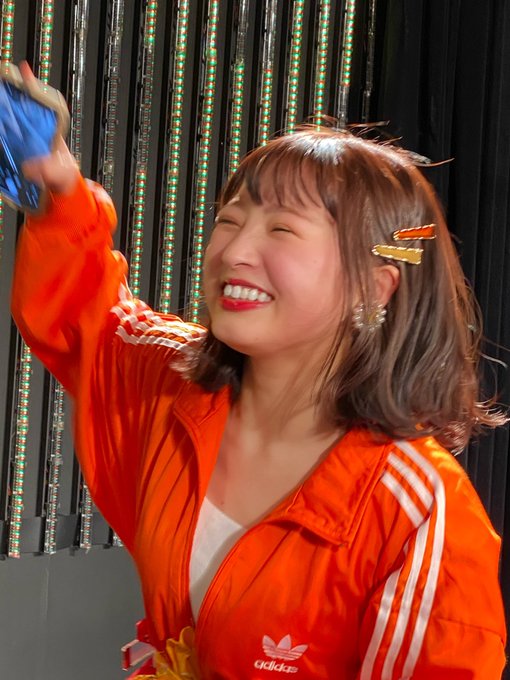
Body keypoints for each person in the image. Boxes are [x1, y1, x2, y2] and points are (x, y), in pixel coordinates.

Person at [10, 66, 507, 679]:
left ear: (373, 286)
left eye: (282, 229)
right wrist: (58, 189)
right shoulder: (172, 380)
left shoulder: (419, 509)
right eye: (230, 219)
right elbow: (84, 315)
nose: (235, 252)